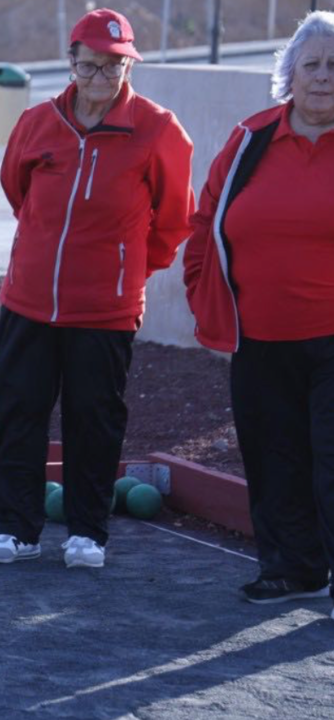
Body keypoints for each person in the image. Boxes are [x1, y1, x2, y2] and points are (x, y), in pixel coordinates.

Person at [0, 9, 194, 570]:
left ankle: (87, 533)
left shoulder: (159, 129)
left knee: (93, 418)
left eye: (115, 66)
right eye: (91, 66)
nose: (102, 78)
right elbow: (16, 190)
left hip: (107, 308)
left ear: (129, 65)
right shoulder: (38, 123)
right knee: (19, 411)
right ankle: (16, 529)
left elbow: (174, 219)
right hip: (29, 299)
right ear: (71, 63)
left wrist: (129, 272)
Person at [183, 11, 334, 610]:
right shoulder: (251, 139)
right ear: (289, 75)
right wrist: (206, 292)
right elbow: (205, 221)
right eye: (313, 65)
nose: (325, 76)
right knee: (274, 459)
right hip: (260, 337)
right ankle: (293, 568)